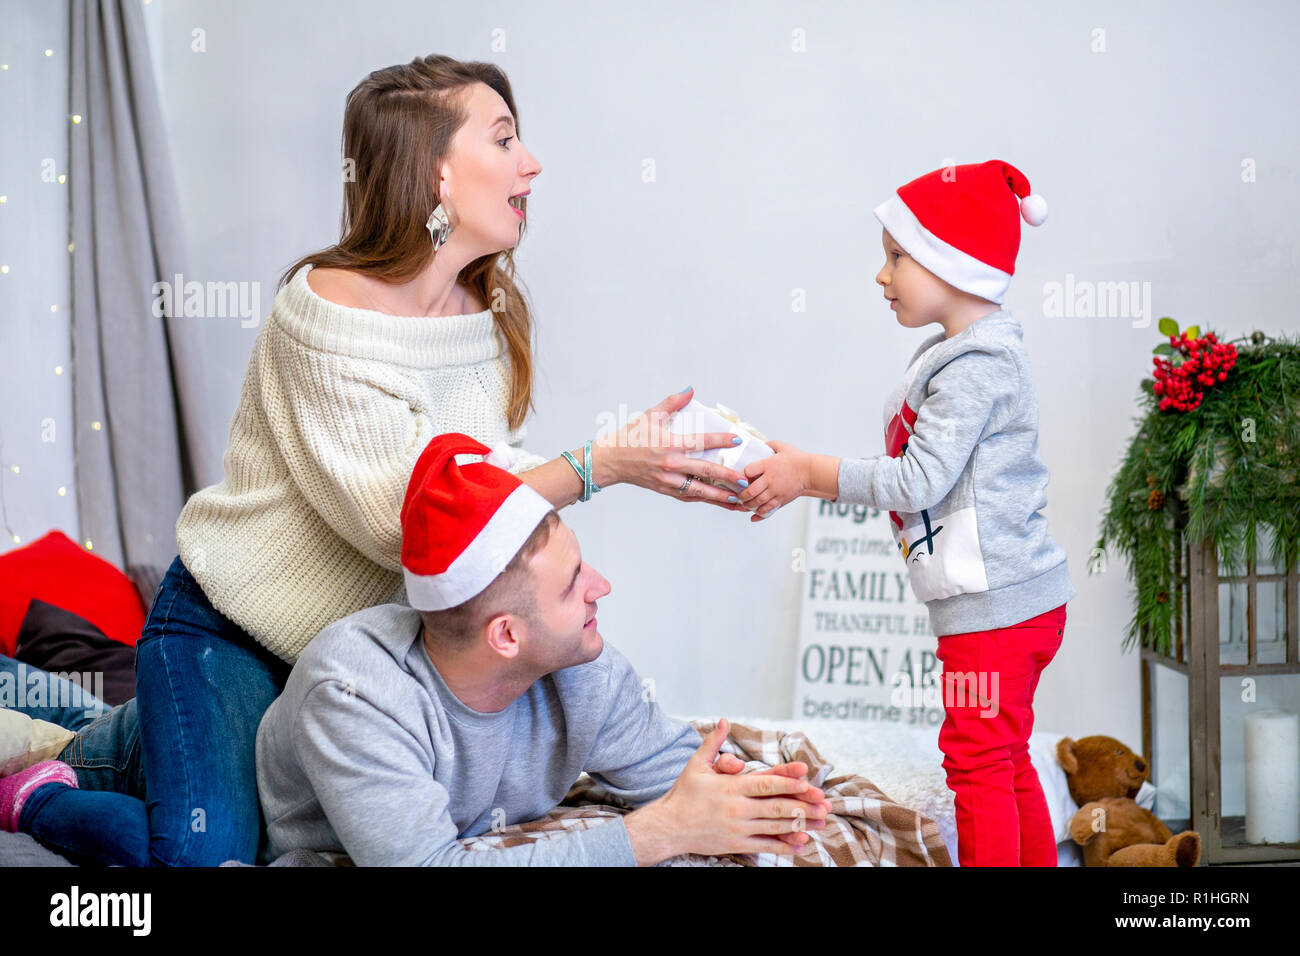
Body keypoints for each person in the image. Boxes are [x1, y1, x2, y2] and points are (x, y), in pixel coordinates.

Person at [1, 54, 753, 867]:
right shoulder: (322, 312)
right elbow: (409, 523)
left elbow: (480, 475)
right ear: (435, 175)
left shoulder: (484, 310)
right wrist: (606, 461)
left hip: (354, 653)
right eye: (503, 140)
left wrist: (643, 458)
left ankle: (123, 732)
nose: (530, 162)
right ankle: (45, 785)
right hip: (234, 629)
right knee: (208, 856)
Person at [3, 434, 831, 866]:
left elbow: (675, 775)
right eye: (575, 577)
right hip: (161, 752)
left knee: (69, 700)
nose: (602, 589)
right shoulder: (358, 688)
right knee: (174, 840)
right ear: (505, 635)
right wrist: (652, 838)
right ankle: (38, 796)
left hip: (266, 721)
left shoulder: (582, 664)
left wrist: (761, 800)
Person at [735, 160, 1076, 866]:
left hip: (995, 614)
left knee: (978, 764)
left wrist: (810, 474)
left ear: (956, 265)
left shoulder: (975, 366)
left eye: (897, 256)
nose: (881, 275)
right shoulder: (967, 355)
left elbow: (920, 478)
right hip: (1017, 605)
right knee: (1005, 758)